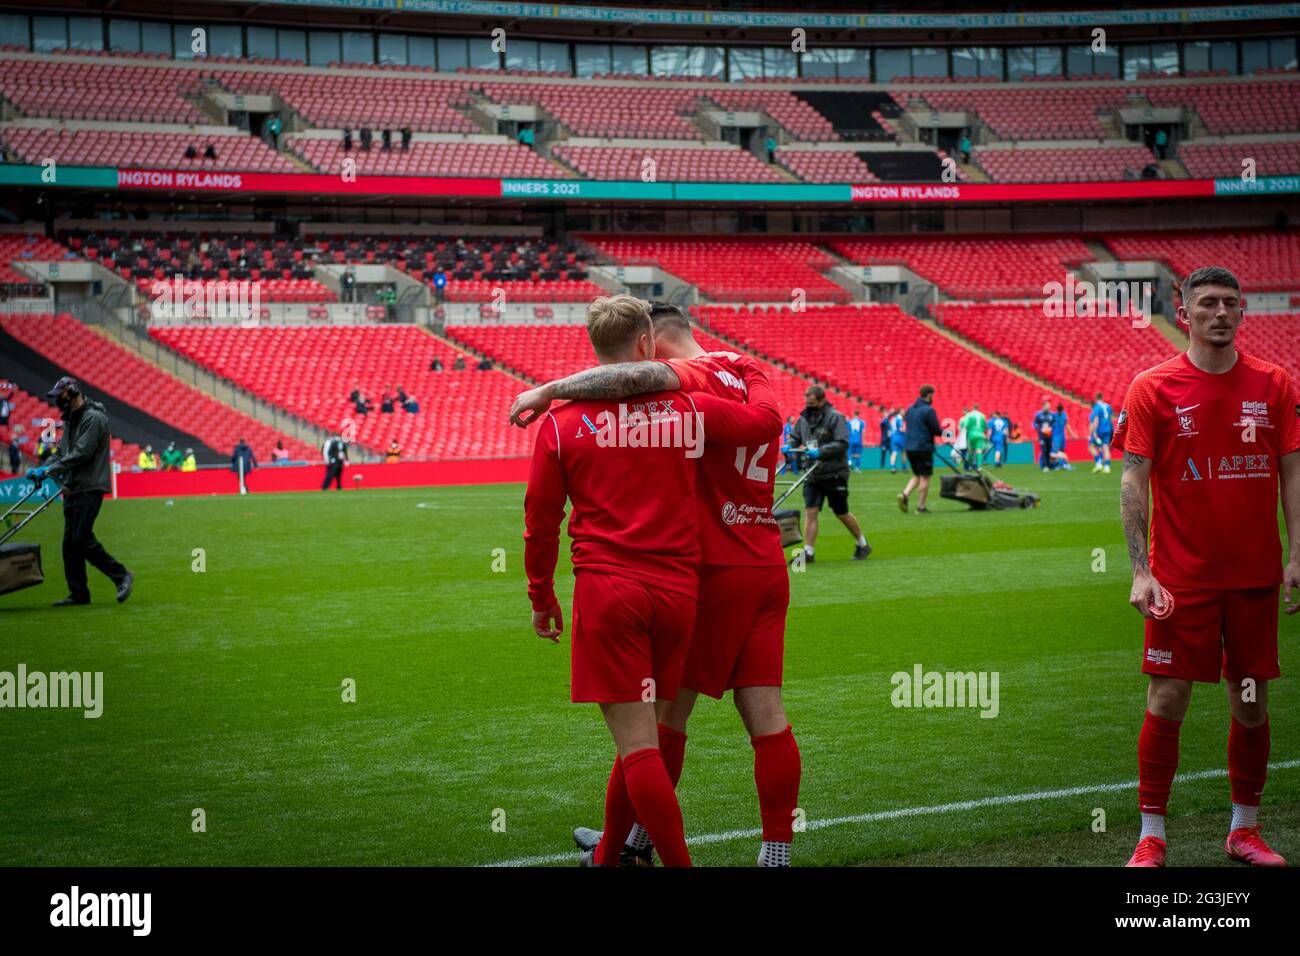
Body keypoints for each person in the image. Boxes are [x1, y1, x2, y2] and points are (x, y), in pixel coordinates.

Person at [511, 300, 799, 868]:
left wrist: (550, 393)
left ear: (651, 346)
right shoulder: (743, 371)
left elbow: (626, 385)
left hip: (707, 571)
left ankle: (622, 849)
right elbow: (766, 422)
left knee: (657, 727)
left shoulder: (681, 396)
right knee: (767, 713)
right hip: (765, 559)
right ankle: (773, 855)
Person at [1115, 265, 1300, 868]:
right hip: (1180, 579)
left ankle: (1244, 829)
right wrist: (1140, 570)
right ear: (1183, 312)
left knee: (1250, 701)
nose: (1220, 313)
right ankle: (1152, 835)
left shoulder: (1274, 384)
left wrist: (1298, 553)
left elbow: (1293, 472)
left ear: (1243, 312)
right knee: (1167, 699)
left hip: (1253, 578)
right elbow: (1133, 479)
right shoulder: (1152, 387)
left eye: (1230, 303)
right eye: (1208, 304)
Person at [23, 377, 132, 607]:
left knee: (81, 539)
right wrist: (43, 469)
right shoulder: (72, 420)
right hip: (72, 487)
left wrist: (51, 469)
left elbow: (82, 452)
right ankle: (79, 593)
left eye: (59, 396)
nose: (56, 401)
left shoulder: (94, 418)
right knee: (70, 543)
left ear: (72, 393)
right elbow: (63, 452)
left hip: (90, 486)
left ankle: (121, 575)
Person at [789, 386, 871, 563]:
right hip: (812, 473)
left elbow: (842, 443)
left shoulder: (836, 417)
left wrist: (821, 451)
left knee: (841, 512)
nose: (808, 406)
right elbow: (796, 436)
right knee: (811, 510)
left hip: (834, 472)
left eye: (812, 403)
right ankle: (808, 553)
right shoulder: (803, 419)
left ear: (821, 401)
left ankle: (863, 544)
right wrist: (790, 445)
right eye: (807, 403)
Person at [899, 384, 942, 514]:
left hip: (910, 447)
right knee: (925, 477)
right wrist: (948, 433)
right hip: (923, 447)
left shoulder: (910, 409)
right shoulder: (929, 410)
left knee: (917, 475)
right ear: (929, 395)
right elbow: (936, 430)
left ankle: (904, 494)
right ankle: (921, 507)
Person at [1090, 391, 1115, 474]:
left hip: (1100, 429)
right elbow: (1111, 419)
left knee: (1092, 446)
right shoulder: (1108, 406)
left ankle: (1098, 463)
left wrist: (1094, 432)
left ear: (1096, 398)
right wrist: (1111, 430)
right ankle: (1107, 467)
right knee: (1105, 448)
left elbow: (1096, 419)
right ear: (1102, 398)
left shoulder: (1097, 407)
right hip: (1108, 429)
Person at [963, 402, 988, 469]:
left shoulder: (969, 415)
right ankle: (979, 466)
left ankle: (970, 466)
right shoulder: (983, 415)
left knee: (971, 451)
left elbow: (966, 426)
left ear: (972, 407)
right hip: (980, 434)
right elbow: (985, 427)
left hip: (972, 434)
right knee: (979, 450)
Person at [1033, 400, 1055, 472]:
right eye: (1047, 406)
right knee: (1043, 450)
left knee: (1049, 450)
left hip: (1049, 435)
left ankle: (1048, 465)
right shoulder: (1038, 415)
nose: (1049, 408)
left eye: (1049, 407)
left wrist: (1051, 428)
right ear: (1043, 406)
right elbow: (1034, 424)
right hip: (1042, 436)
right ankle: (1044, 466)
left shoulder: (1052, 415)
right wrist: (1040, 428)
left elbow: (1054, 423)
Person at [888, 406, 907, 473]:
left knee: (894, 453)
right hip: (900, 437)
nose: (904, 412)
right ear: (900, 412)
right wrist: (907, 431)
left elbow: (890, 429)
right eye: (903, 411)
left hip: (893, 437)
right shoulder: (900, 419)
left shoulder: (893, 419)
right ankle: (904, 468)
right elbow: (901, 429)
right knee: (903, 452)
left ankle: (893, 468)